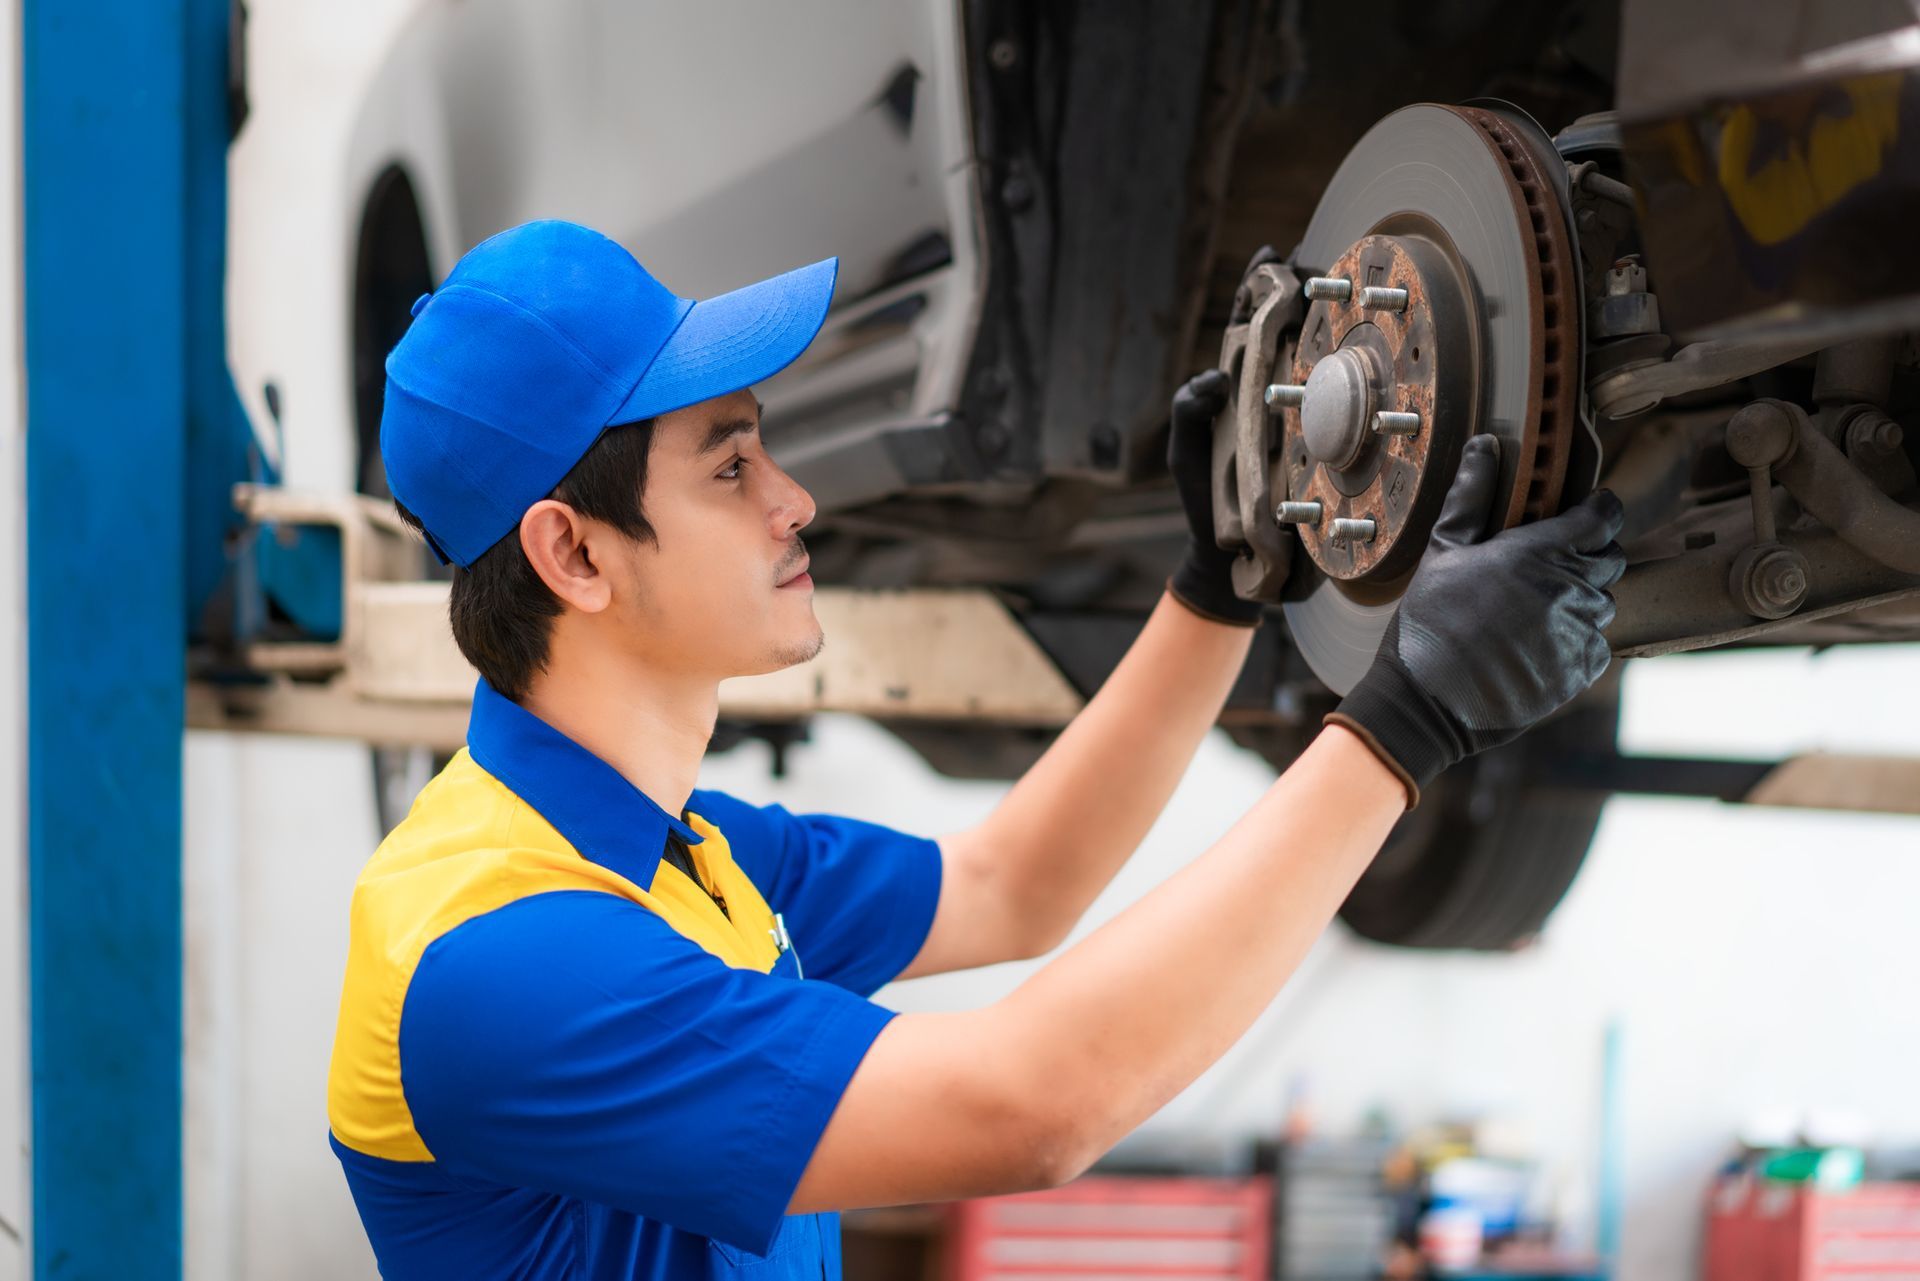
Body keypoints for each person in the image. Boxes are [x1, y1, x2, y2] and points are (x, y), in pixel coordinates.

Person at [326, 219, 1625, 1280]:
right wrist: (1406, 725)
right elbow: (1035, 1105)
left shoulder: (689, 853)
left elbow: (1018, 883)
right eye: (729, 471)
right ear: (575, 553)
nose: (795, 500)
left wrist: (1225, 577)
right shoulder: (497, 958)